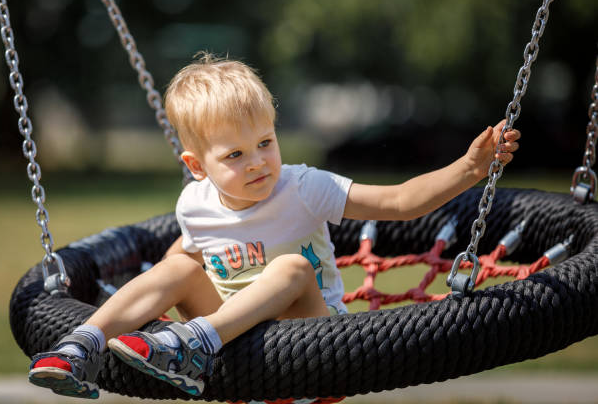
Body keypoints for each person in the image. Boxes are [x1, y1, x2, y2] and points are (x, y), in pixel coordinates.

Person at [27, 52, 520, 399]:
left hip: (314, 344)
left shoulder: (304, 187)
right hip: (235, 344)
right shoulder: (194, 204)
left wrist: (470, 169)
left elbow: (398, 201)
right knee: (173, 267)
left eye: (266, 142)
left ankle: (192, 346)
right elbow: (182, 264)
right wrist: (152, 305)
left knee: (291, 269)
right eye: (236, 154)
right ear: (198, 166)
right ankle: (81, 346)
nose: (259, 162)